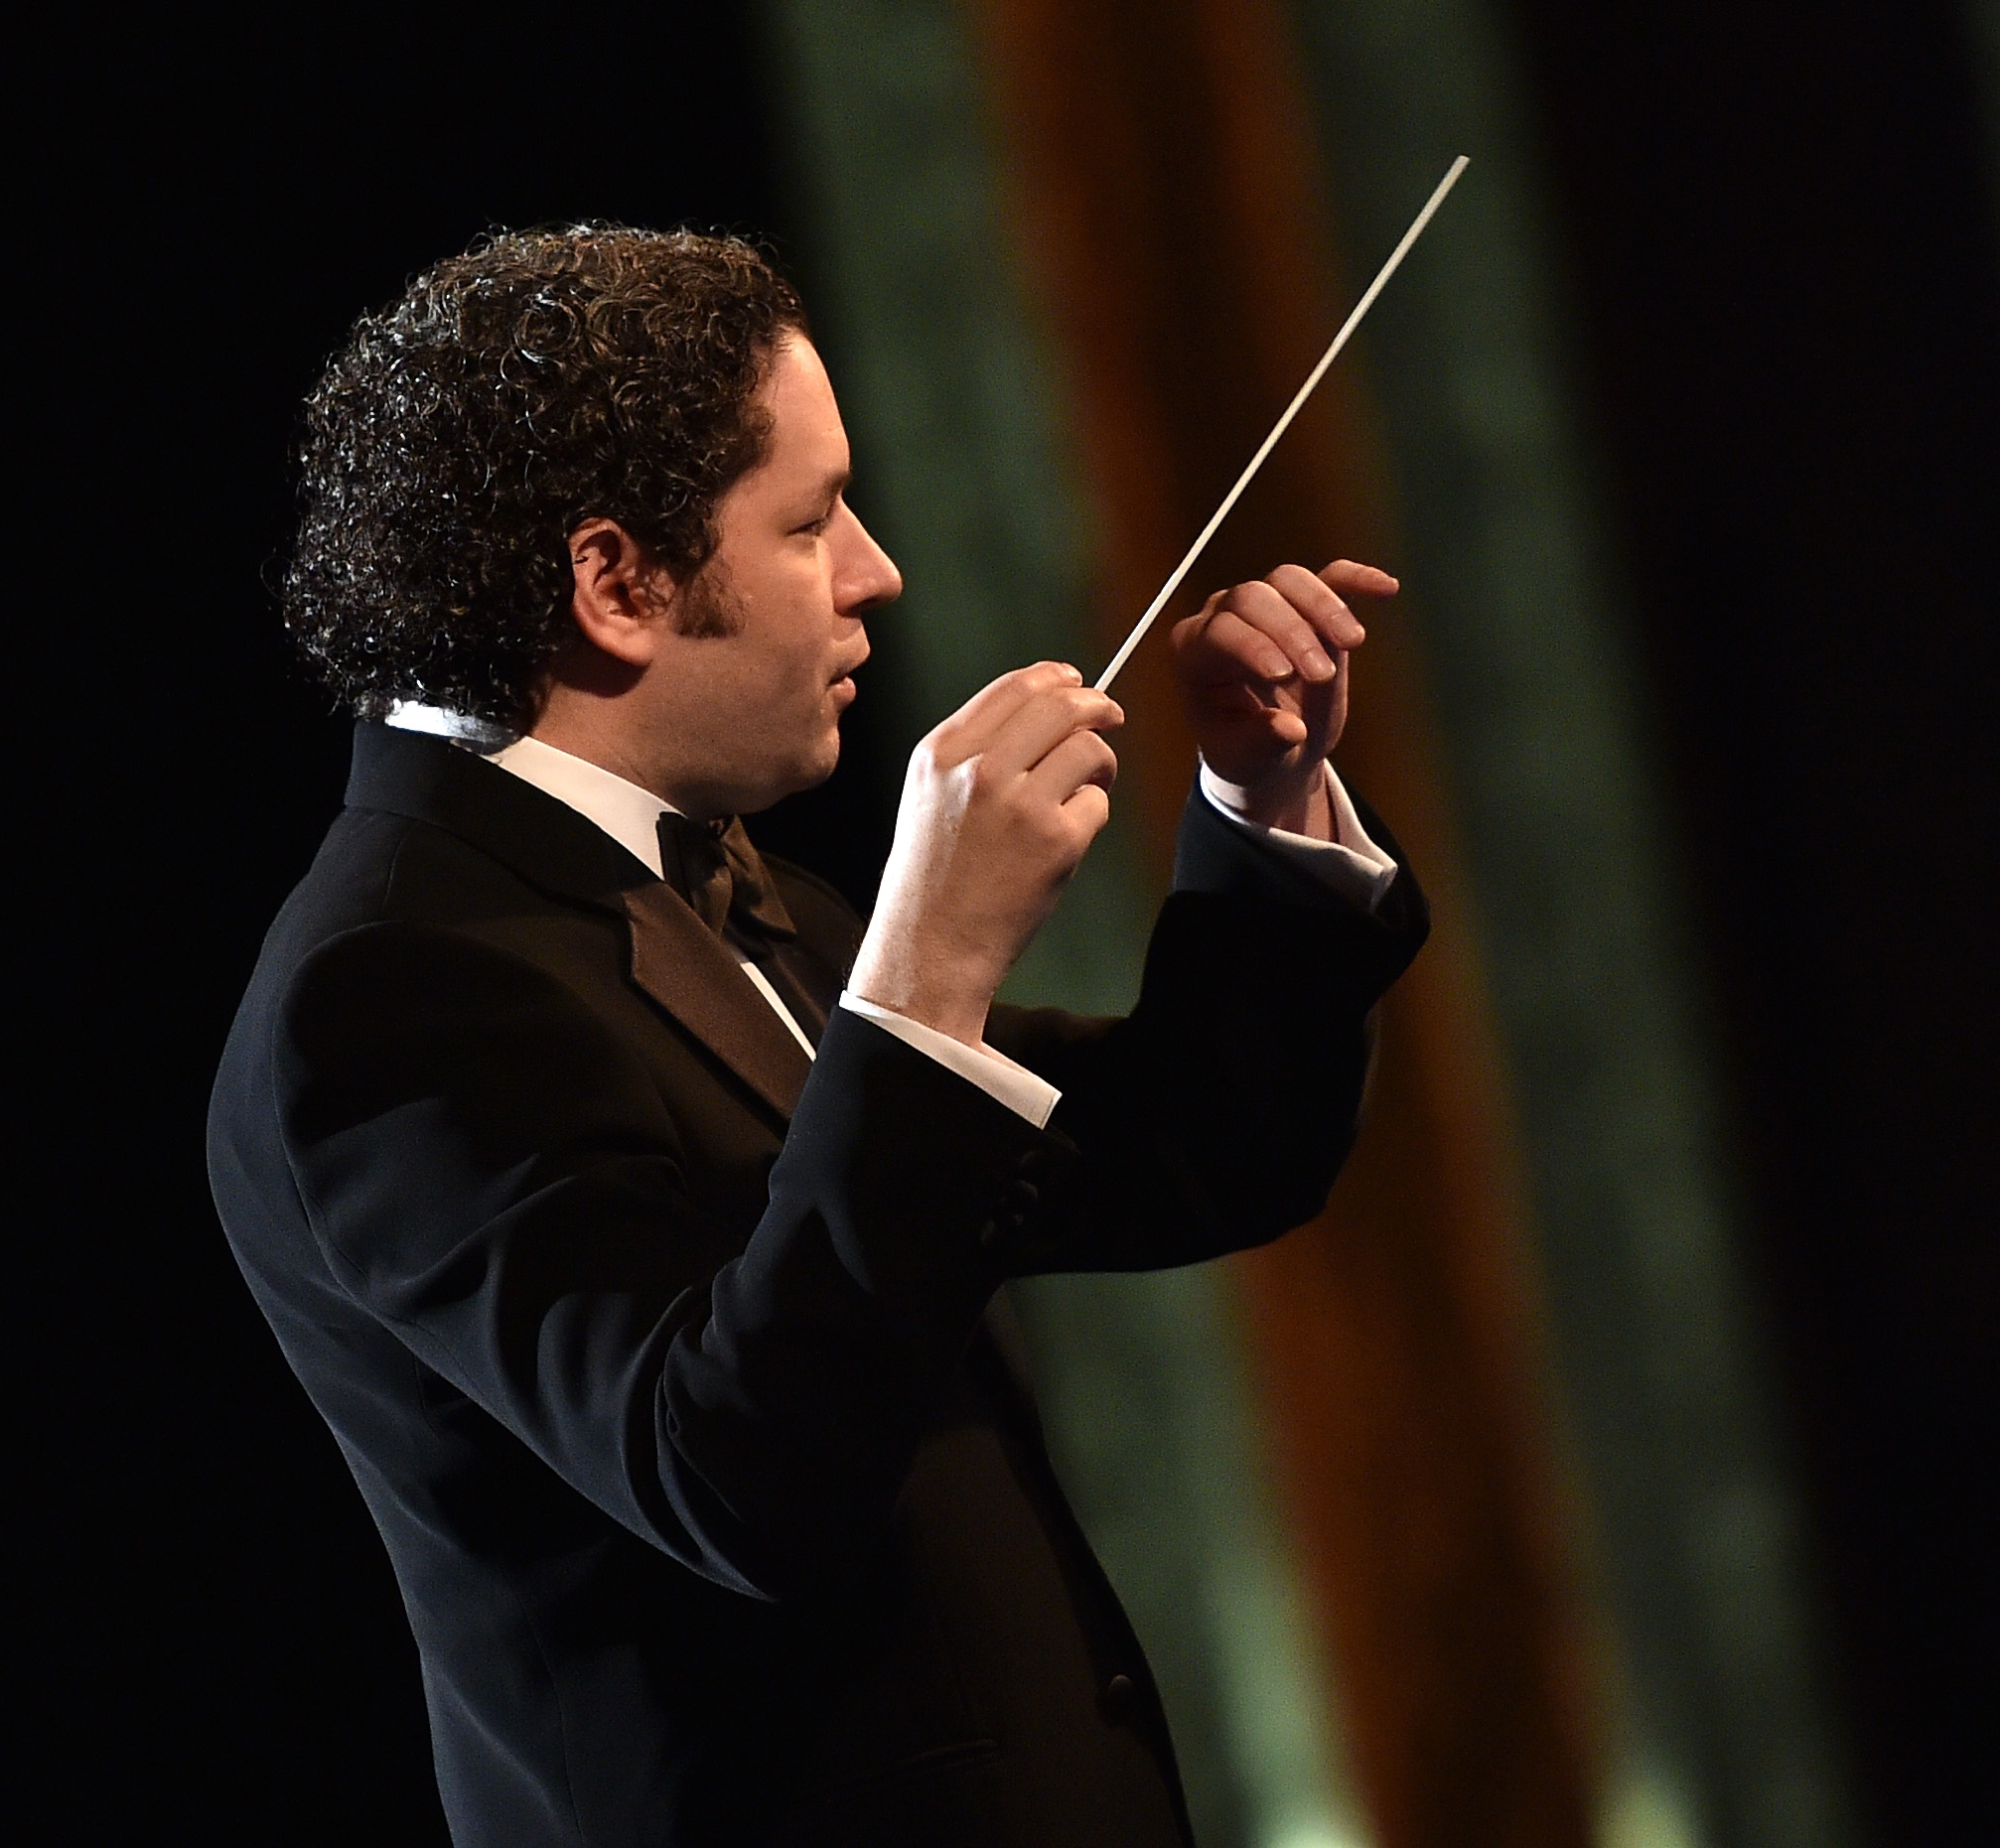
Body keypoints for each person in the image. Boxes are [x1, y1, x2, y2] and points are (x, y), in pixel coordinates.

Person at [208, 226, 1428, 1848]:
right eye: (809, 519)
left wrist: (1261, 805)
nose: (874, 571)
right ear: (619, 582)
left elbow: (1196, 1152)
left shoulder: (718, 888)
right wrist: (925, 974)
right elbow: (732, 1476)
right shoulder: (390, 988)